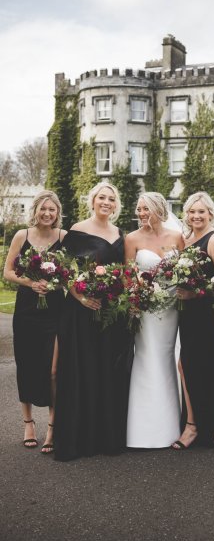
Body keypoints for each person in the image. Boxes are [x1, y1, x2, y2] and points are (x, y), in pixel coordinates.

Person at [54, 182, 131, 461]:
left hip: (111, 314)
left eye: (111, 199)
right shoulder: (77, 230)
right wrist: (80, 297)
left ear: (116, 204)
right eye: (102, 197)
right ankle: (79, 439)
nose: (106, 202)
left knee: (106, 371)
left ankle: (106, 437)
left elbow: (124, 273)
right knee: (82, 370)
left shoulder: (121, 234)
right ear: (93, 200)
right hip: (80, 311)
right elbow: (64, 269)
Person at [4, 190, 66, 453]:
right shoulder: (23, 235)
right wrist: (31, 282)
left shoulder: (64, 237)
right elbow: (8, 271)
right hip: (27, 309)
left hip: (55, 310)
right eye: (43, 209)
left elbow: (71, 272)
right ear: (36, 210)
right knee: (27, 364)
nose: (47, 213)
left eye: (52, 209)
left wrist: (53, 282)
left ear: (57, 212)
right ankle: (28, 422)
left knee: (53, 370)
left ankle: (52, 427)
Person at [172, 191, 214, 450]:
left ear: (211, 214)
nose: (196, 216)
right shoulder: (187, 239)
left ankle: (195, 427)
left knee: (195, 367)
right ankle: (197, 424)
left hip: (206, 314)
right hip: (187, 313)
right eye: (192, 212)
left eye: (201, 211)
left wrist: (195, 292)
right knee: (188, 365)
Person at [125, 192, 184, 448]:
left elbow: (186, 270)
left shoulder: (177, 238)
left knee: (166, 356)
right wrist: (136, 296)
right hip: (145, 308)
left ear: (159, 209)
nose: (141, 214)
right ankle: (140, 429)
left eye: (145, 209)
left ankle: (170, 427)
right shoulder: (132, 238)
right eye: (139, 209)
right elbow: (128, 276)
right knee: (146, 357)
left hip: (171, 308)